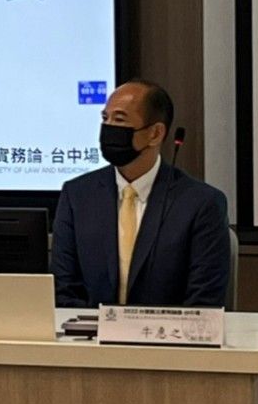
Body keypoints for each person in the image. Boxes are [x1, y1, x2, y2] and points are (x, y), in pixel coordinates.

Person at [51, 80, 230, 308]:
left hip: (167, 330)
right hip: (91, 330)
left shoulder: (201, 203)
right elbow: (64, 290)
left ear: (155, 133)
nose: (108, 128)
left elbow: (204, 302)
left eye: (119, 120)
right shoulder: (77, 196)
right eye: (105, 118)